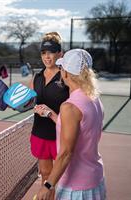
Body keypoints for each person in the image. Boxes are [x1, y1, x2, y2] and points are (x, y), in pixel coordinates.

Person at [35, 49, 106, 200]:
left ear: (66, 73)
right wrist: (52, 115)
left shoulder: (69, 107)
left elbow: (66, 154)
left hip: (76, 189)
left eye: (61, 68)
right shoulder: (94, 99)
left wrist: (47, 185)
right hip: (96, 180)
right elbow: (80, 129)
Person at [29, 32, 69, 198]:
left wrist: (52, 114)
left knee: (66, 179)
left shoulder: (66, 76)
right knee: (46, 176)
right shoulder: (36, 77)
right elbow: (31, 103)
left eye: (51, 52)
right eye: (44, 53)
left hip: (62, 135)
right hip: (40, 133)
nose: (47, 56)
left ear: (60, 53)